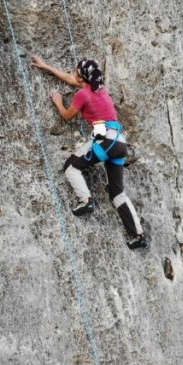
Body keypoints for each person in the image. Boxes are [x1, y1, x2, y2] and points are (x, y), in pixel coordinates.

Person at [32, 55, 148, 250]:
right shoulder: (100, 89)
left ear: (81, 77)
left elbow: (67, 116)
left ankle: (86, 200)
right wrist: (46, 66)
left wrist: (58, 101)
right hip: (119, 142)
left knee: (71, 166)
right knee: (117, 192)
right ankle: (138, 235)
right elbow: (71, 79)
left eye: (76, 70)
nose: (73, 73)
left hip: (106, 141)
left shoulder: (82, 95)